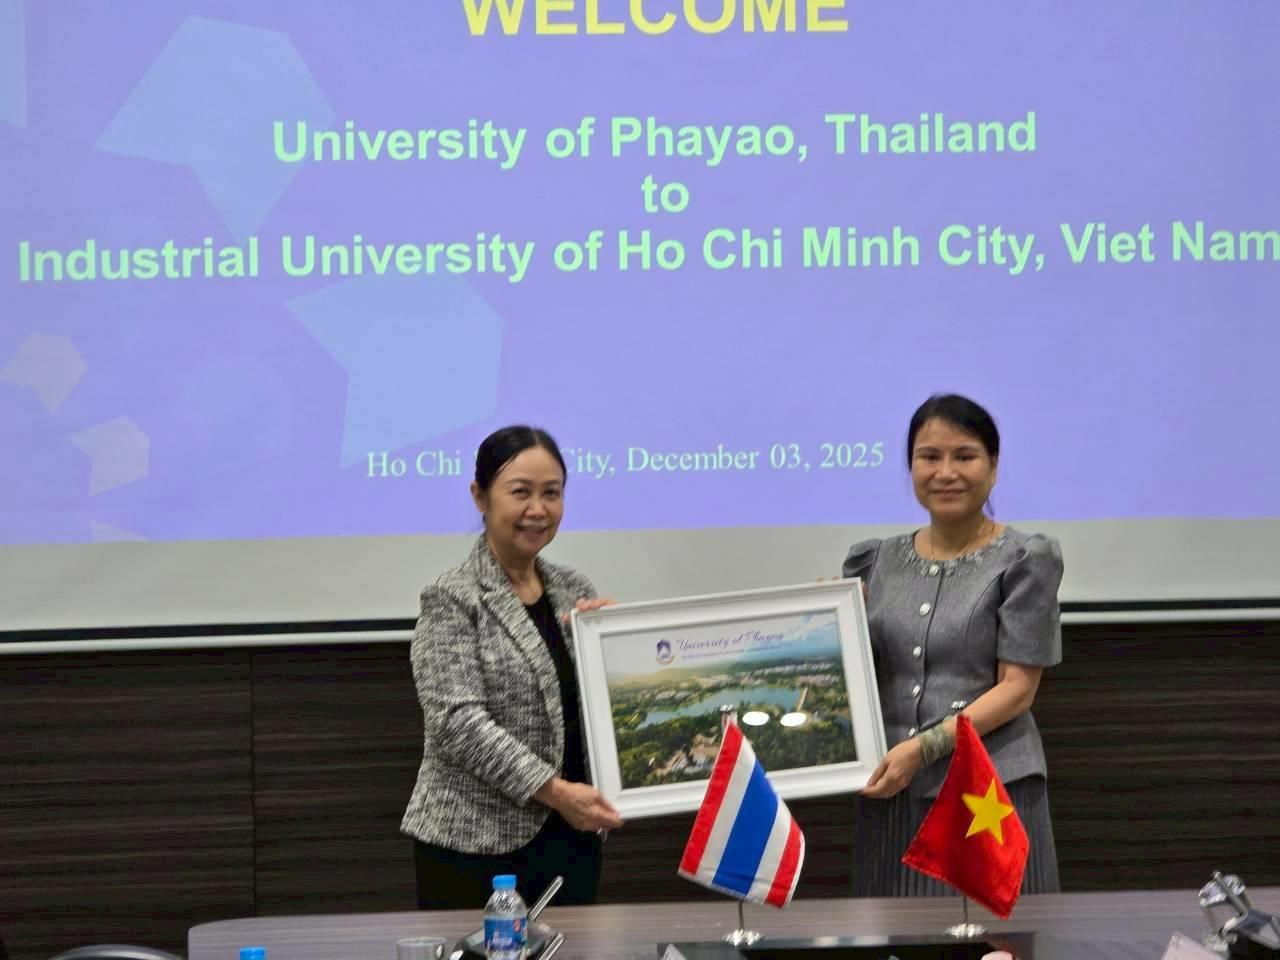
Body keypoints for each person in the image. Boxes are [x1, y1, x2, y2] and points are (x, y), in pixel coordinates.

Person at [842, 394, 1063, 896]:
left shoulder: (1026, 558)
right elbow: (859, 679)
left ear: (993, 467)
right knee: (897, 934)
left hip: (987, 797)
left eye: (964, 456)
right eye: (929, 457)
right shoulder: (873, 561)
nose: (946, 472)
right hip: (894, 795)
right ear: (911, 467)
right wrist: (830, 630)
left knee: (999, 936)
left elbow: (1017, 690)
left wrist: (923, 749)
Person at [401, 425, 623, 909]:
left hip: (572, 839)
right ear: (480, 497)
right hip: (475, 848)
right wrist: (554, 791)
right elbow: (457, 722)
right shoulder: (451, 596)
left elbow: (587, 708)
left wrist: (613, 645)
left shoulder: (573, 589)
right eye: (520, 492)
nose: (537, 509)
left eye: (552, 493)